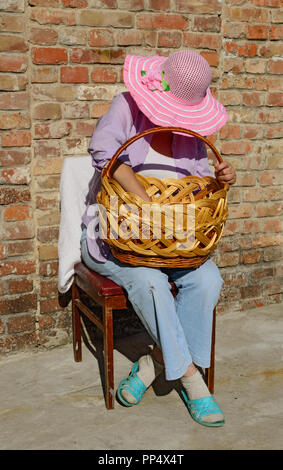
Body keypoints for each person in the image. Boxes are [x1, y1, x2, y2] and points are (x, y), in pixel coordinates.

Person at [81, 50, 236, 427]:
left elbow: (197, 185)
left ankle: (155, 361)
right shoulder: (126, 107)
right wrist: (144, 201)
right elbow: (103, 149)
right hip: (120, 237)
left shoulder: (189, 137)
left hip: (171, 240)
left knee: (208, 278)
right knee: (149, 283)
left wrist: (218, 180)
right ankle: (190, 379)